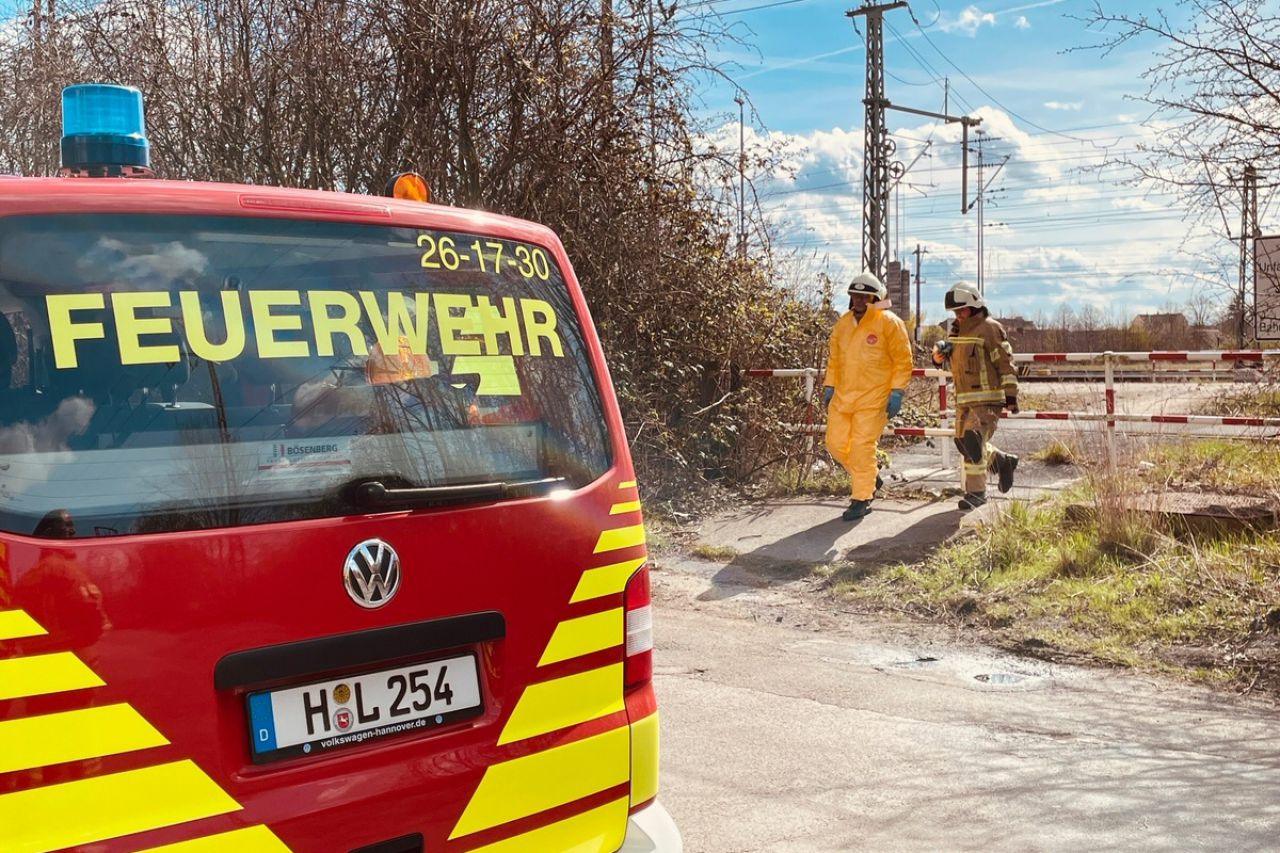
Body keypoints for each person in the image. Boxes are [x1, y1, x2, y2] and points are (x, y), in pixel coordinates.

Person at [822, 272, 913, 521]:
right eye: (855, 295)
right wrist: (829, 386)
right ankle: (870, 477)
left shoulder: (889, 322)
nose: (860, 300)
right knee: (835, 444)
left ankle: (861, 498)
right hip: (843, 397)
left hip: (874, 399)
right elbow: (835, 360)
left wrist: (897, 392)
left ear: (875, 297)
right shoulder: (843, 324)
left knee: (862, 448)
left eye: (865, 295)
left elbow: (903, 361)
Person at [931, 281, 1019, 511]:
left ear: (975, 306)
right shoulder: (957, 334)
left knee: (973, 440)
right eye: (955, 312)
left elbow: (1005, 363)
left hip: (987, 401)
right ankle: (1000, 461)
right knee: (963, 443)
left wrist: (1011, 396)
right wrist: (939, 357)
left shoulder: (990, 328)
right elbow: (952, 364)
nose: (958, 316)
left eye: (962, 311)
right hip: (964, 401)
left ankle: (977, 493)